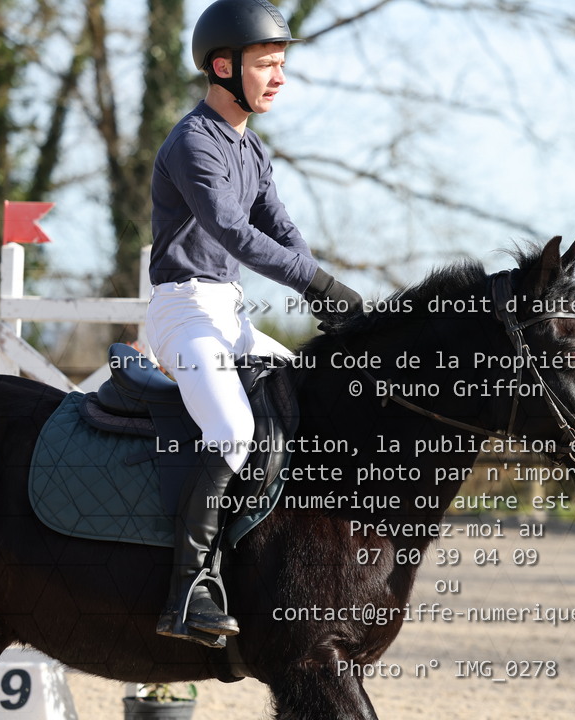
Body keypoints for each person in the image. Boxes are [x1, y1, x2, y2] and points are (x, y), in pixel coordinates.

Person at [147, 0, 362, 646]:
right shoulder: (193, 143)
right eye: (266, 63)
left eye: (280, 63)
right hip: (184, 313)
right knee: (233, 430)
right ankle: (189, 590)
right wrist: (315, 284)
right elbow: (234, 233)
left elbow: (281, 229)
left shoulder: (251, 148)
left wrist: (324, 291)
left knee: (310, 394)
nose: (279, 77)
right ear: (223, 67)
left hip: (229, 315)